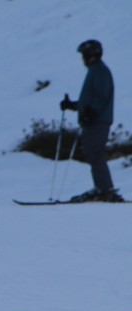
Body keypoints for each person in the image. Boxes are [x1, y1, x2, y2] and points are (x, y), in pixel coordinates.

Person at [60, 39, 122, 202]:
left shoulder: (100, 71)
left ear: (92, 54)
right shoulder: (95, 70)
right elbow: (89, 100)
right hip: (95, 120)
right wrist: (72, 105)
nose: (83, 58)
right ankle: (102, 188)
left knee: (95, 153)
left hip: (98, 121)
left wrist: (91, 113)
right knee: (92, 152)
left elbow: (102, 96)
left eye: (84, 54)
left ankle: (105, 189)